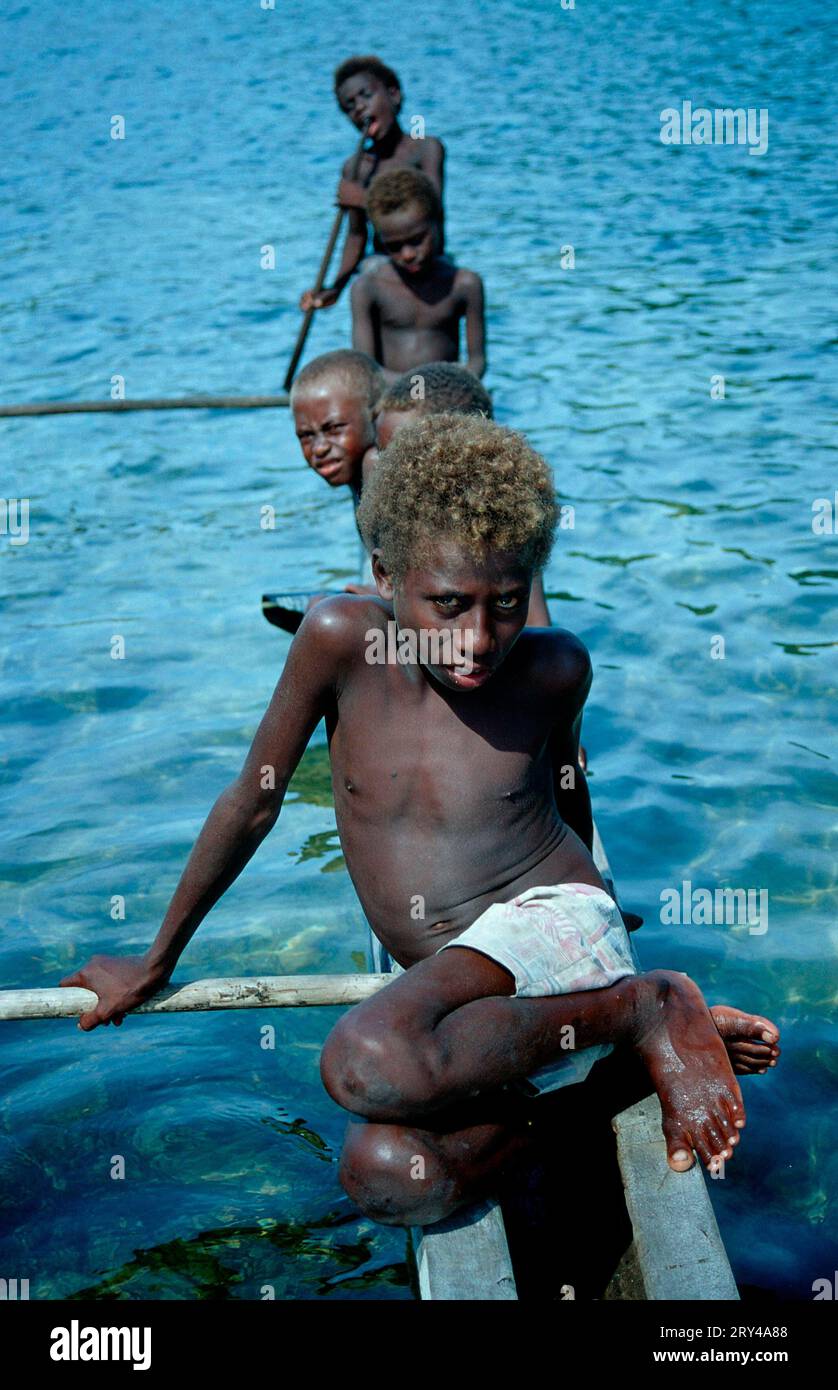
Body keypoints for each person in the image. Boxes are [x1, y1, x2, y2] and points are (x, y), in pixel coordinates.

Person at [61, 415, 780, 1227]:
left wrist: (609, 932)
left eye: (507, 604)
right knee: (387, 1174)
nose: (477, 640)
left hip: (549, 927)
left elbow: (567, 793)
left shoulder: (557, 667)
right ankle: (604, 1083)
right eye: (447, 604)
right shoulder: (337, 639)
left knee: (364, 1057)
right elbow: (253, 799)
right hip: (473, 1007)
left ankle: (646, 1007)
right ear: (383, 574)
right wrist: (157, 959)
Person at [363, 362, 550, 625]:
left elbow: (538, 625)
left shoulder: (506, 534)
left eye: (403, 453)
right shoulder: (391, 504)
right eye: (382, 452)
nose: (383, 467)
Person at [299, 56, 445, 313]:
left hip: (429, 259)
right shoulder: (355, 169)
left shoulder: (426, 149)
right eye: (349, 106)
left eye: (365, 96)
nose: (359, 108)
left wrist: (364, 199)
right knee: (366, 281)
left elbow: (431, 208)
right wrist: (336, 287)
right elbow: (357, 235)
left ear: (393, 95)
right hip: (384, 266)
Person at [352, 169, 486, 380]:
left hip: (446, 399)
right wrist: (417, 392)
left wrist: (452, 389)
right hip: (393, 404)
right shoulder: (368, 288)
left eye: (416, 240)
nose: (407, 254)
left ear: (437, 223)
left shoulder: (465, 285)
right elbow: (367, 368)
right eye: (394, 247)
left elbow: (477, 361)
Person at [290, 349, 383, 507]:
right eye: (306, 435)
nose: (319, 449)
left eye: (334, 428)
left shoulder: (376, 466)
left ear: (376, 415)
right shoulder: (362, 474)